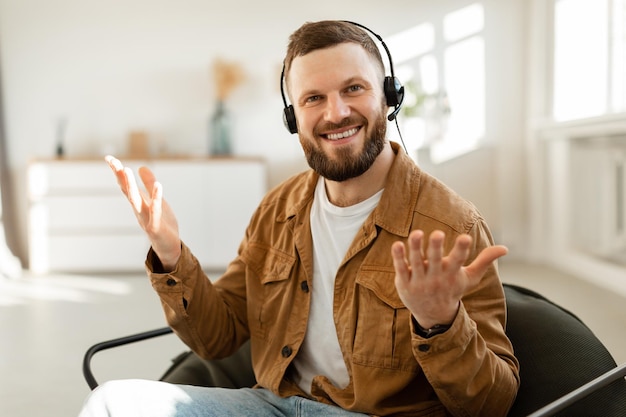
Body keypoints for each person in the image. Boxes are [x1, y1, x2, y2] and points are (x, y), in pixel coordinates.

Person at [79, 20, 519, 417]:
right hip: (272, 405)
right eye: (313, 98)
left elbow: (491, 405)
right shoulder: (277, 209)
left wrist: (438, 324)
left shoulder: (451, 228)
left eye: (353, 89)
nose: (335, 113)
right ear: (294, 118)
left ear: (389, 97)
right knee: (111, 404)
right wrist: (170, 254)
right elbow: (218, 338)